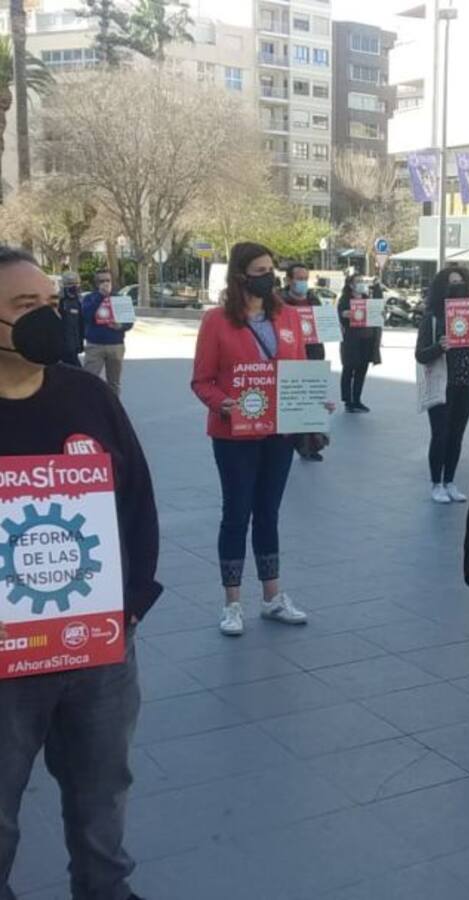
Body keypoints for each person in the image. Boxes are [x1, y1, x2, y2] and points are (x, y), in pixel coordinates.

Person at [0, 245, 161, 900]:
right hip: (7, 664)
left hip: (97, 651)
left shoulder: (88, 395)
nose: (46, 317)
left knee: (103, 793)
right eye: (23, 306)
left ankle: (105, 890)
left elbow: (137, 504)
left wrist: (127, 611)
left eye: (49, 302)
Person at [191, 242, 312, 636]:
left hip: (278, 432)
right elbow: (202, 381)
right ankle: (232, 603)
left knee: (269, 512)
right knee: (236, 513)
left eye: (272, 269)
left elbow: (298, 372)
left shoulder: (290, 318)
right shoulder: (216, 322)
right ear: (242, 276)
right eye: (261, 270)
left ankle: (273, 596)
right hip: (234, 435)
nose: (271, 277)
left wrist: (312, 401)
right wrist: (225, 404)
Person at [415, 266, 469, 504]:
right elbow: (421, 354)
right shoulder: (433, 318)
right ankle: (436, 483)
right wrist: (440, 346)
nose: (456, 286)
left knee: (457, 435)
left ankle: (450, 481)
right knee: (440, 434)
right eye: (451, 283)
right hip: (442, 383)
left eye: (460, 282)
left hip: (467, 383)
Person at [283, 263, 329, 462]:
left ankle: (310, 444)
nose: (302, 282)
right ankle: (288, 443)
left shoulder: (314, 300)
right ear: (288, 280)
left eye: (305, 278)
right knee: (291, 403)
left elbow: (324, 326)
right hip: (290, 357)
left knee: (312, 401)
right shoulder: (279, 303)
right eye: (298, 278)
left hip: (313, 354)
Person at [80, 270, 131, 396]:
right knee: (89, 380)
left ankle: (113, 411)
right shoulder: (89, 298)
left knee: (114, 382)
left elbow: (129, 322)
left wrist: (121, 326)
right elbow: (86, 316)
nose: (105, 283)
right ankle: (89, 409)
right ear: (96, 283)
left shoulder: (119, 299)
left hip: (115, 345)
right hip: (95, 346)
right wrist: (100, 297)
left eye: (107, 280)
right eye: (101, 281)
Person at [338, 274, 381, 412]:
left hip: (367, 339)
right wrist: (344, 314)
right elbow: (339, 314)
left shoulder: (366, 298)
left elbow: (376, 310)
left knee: (362, 370)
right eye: (358, 281)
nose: (361, 283)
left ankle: (357, 399)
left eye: (362, 281)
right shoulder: (345, 299)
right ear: (350, 284)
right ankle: (347, 401)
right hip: (351, 340)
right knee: (349, 369)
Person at [58, 271, 84, 367]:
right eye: (69, 283)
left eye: (76, 283)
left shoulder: (80, 300)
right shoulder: (59, 301)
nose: (73, 286)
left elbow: (81, 323)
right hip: (63, 347)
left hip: (76, 344)